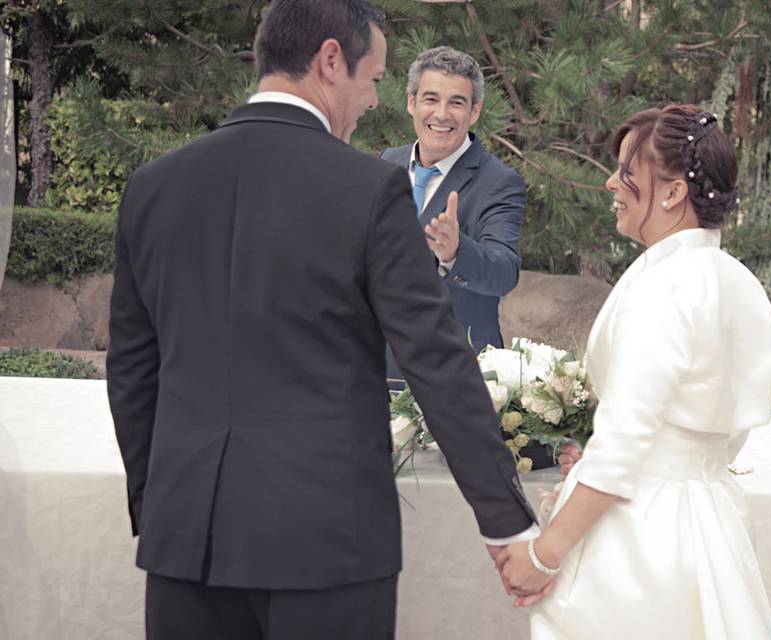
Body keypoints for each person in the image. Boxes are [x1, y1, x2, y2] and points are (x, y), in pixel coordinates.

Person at [106, 2, 537, 638]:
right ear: (331, 60)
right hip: (328, 541)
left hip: (184, 539)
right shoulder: (370, 189)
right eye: (374, 78)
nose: (372, 100)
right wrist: (507, 522)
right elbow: (435, 359)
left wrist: (164, 506)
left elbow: (132, 368)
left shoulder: (152, 185)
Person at [495, 104, 771, 639]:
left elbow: (625, 444)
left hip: (640, 536)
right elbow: (726, 427)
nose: (611, 183)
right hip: (708, 524)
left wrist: (545, 554)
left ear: (672, 192)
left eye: (627, 172)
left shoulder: (664, 287)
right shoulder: (738, 282)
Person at [380, 46, 525, 387]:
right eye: (431, 99)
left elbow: (504, 272)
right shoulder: (385, 163)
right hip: (380, 374)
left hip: (457, 378)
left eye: (457, 103)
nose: (442, 114)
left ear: (474, 112)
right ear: (411, 103)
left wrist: (455, 253)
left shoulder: (499, 182)